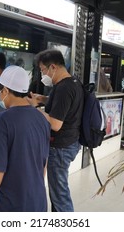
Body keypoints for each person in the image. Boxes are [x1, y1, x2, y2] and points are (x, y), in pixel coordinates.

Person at [0, 65, 50, 212]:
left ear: (6, 91)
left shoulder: (2, 120)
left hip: (11, 204)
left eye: (0, 89)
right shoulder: (42, 119)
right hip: (38, 200)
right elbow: (43, 164)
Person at [27, 49, 84, 212]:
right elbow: (64, 106)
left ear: (53, 67)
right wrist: (43, 99)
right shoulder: (73, 82)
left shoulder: (64, 88)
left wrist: (34, 109)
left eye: (42, 70)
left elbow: (55, 124)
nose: (42, 73)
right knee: (59, 192)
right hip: (70, 142)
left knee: (59, 195)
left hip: (60, 148)